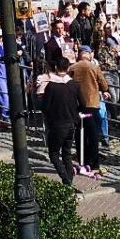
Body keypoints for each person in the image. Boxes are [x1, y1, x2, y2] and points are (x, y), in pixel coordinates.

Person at [40, 58, 82, 187]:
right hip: (71, 123)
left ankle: (66, 180)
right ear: (68, 68)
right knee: (66, 154)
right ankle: (69, 182)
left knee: (54, 154)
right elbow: (83, 104)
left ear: (56, 68)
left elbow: (45, 107)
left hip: (57, 124)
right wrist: (75, 114)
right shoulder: (75, 85)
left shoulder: (52, 86)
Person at [69, 45, 110, 176]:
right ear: (89, 55)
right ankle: (94, 164)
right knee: (92, 135)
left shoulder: (72, 68)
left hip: (77, 105)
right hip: (91, 104)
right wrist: (105, 90)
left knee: (80, 134)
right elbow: (103, 84)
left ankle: (83, 161)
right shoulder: (93, 67)